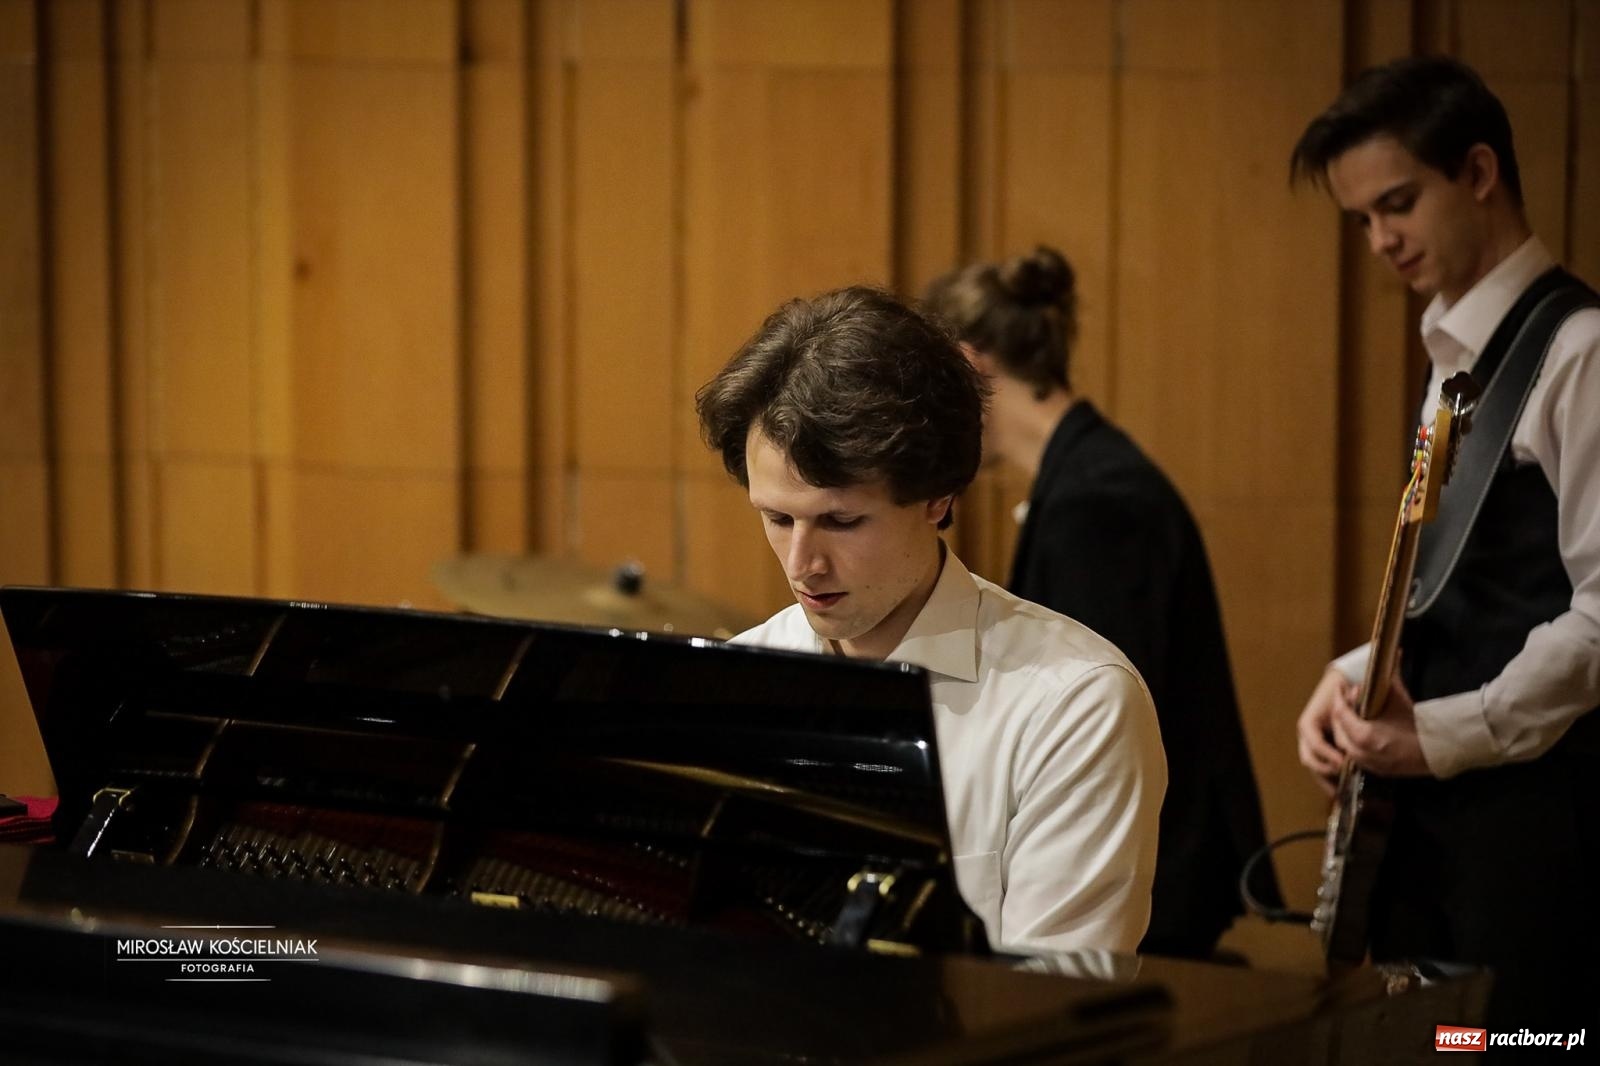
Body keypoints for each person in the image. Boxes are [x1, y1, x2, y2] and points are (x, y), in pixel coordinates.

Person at [695, 286, 1166, 954]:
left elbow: (1050, 997)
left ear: (937, 498)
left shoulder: (1073, 703)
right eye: (777, 518)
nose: (803, 564)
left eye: (841, 520)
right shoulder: (730, 686)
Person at [1290, 56, 1600, 1025]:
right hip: (1442, 827)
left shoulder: (1581, 351)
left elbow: (1599, 616)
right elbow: (1448, 577)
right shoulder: (1452, 356)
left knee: (1521, 1043)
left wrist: (1440, 735)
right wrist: (1354, 674)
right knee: (1434, 1044)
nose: (1380, 240)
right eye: (1360, 220)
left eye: (1397, 204)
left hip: (1534, 830)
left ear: (1478, 172)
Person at [924, 247, 1279, 960]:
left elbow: (1099, 705)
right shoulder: (1085, 475)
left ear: (968, 365)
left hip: (1145, 872)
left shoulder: (1097, 501)